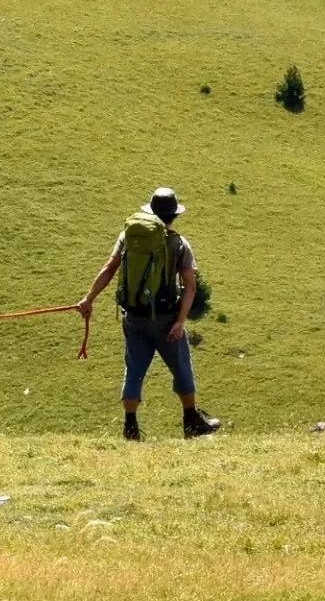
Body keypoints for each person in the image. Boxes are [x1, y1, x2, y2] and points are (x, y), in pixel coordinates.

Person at [76, 189, 220, 441]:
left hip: (133, 316)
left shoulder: (128, 237)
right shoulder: (179, 243)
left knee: (134, 370)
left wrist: (89, 298)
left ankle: (130, 428)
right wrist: (179, 321)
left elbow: (109, 269)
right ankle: (191, 422)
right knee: (181, 367)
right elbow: (190, 287)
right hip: (165, 319)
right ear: (173, 215)